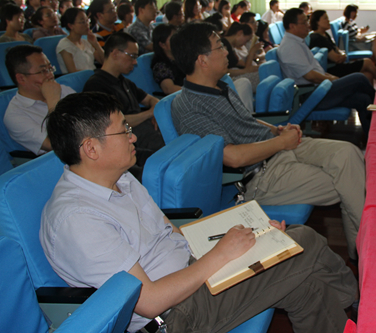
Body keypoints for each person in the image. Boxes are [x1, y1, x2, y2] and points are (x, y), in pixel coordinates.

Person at [40, 90, 357, 333]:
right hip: (176, 314)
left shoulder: (119, 178)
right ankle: (360, 307)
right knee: (302, 242)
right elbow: (149, 302)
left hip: (190, 270)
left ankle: (353, 313)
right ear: (91, 148)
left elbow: (172, 232)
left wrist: (255, 234)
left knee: (304, 284)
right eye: (123, 130)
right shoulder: (78, 220)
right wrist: (221, 255)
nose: (133, 135)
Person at [170, 22, 366, 260]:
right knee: (350, 183)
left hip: (275, 149)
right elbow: (232, 157)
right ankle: (366, 252)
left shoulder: (220, 85)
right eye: (220, 46)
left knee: (350, 154)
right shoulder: (189, 106)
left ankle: (363, 250)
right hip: (260, 175)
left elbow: (246, 121)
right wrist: (282, 143)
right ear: (202, 60)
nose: (226, 51)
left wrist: (277, 130)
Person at [278, 8, 374, 134]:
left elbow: (317, 70)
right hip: (312, 95)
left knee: (363, 100)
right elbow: (311, 76)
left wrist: (333, 78)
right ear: (292, 26)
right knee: (359, 78)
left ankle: (373, 137)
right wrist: (334, 80)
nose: (308, 25)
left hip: (320, 89)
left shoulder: (298, 42)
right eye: (304, 22)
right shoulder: (290, 47)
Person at [83, 32, 164, 167]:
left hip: (146, 131)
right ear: (115, 53)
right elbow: (112, 124)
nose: (134, 62)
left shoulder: (123, 81)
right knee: (171, 152)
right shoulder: (96, 86)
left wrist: (154, 108)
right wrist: (150, 113)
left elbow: (150, 99)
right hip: (131, 141)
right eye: (131, 56)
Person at [3, 45, 75, 155]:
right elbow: (57, 145)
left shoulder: (63, 89)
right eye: (43, 71)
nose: (50, 75)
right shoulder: (15, 116)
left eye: (50, 68)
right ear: (21, 78)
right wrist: (53, 102)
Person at [309, 10, 376, 84]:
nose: (328, 21)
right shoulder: (317, 38)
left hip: (339, 66)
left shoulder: (324, 35)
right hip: (332, 70)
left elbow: (337, 50)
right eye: (325, 18)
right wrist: (342, 56)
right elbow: (336, 58)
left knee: (368, 75)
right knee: (367, 62)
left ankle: (374, 94)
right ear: (317, 21)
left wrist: (342, 55)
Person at [57, 7, 104, 73]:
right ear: (71, 25)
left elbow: (104, 62)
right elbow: (72, 72)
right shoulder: (65, 44)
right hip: (79, 80)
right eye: (82, 22)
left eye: (87, 21)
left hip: (93, 77)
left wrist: (96, 44)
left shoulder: (86, 42)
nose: (87, 24)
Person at [221, 22, 262, 92]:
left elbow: (244, 66)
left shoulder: (232, 47)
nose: (244, 44)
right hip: (231, 79)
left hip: (236, 75)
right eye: (246, 40)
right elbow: (223, 71)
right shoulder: (223, 45)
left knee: (263, 71)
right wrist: (245, 71)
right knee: (262, 76)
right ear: (240, 33)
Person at [151, 24, 184, 94]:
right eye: (174, 38)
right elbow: (169, 89)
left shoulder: (182, 59)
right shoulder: (160, 66)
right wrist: (194, 92)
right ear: (162, 45)